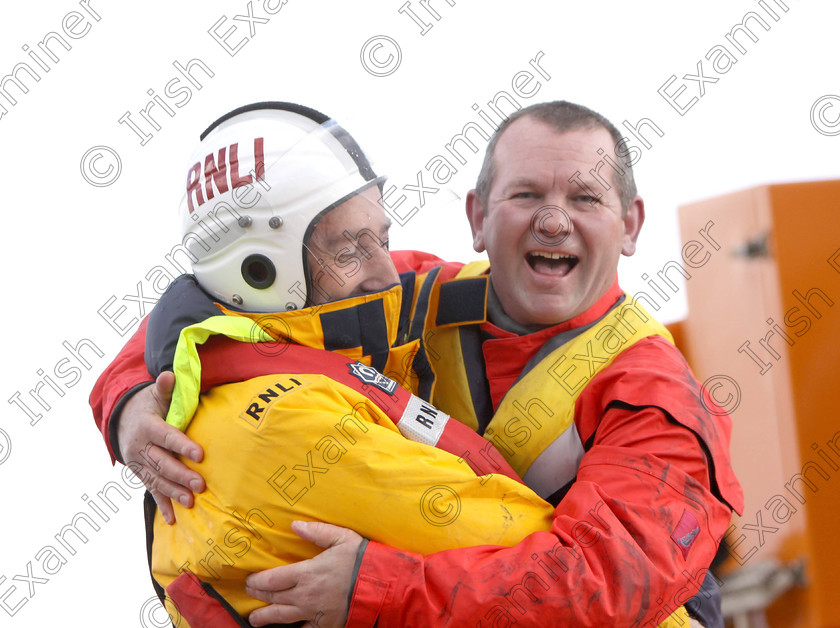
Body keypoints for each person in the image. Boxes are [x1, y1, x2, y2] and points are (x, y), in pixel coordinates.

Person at [90, 101, 739, 627]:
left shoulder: (655, 397)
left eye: (586, 199)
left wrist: (381, 588)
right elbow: (233, 299)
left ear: (631, 225)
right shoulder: (407, 295)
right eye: (526, 193)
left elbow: (612, 586)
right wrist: (130, 399)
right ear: (478, 218)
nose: (552, 220)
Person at [128, 101, 565, 627]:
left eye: (381, 239)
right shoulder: (290, 422)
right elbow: (546, 560)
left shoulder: (232, 378)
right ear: (258, 271)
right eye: (350, 251)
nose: (385, 272)